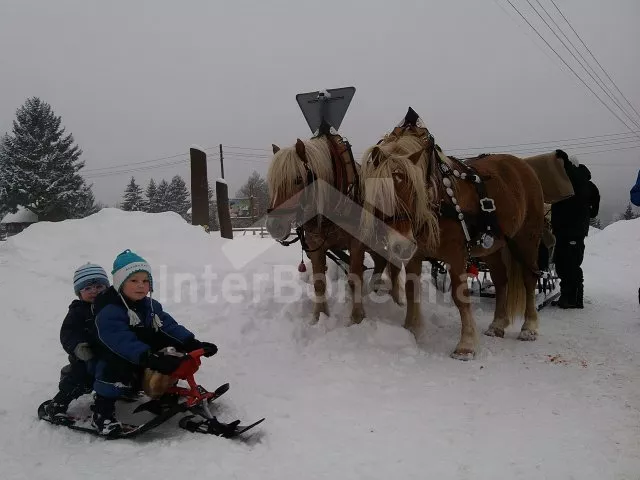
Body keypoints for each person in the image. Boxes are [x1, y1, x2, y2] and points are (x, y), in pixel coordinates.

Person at [90, 249, 217, 435]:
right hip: (113, 353)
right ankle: (102, 412)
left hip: (142, 352)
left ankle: (166, 393)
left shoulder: (149, 305)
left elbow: (168, 326)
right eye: (133, 281)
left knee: (171, 354)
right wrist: (147, 356)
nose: (141, 286)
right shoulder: (110, 310)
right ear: (119, 283)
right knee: (114, 369)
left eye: (145, 281)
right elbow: (120, 340)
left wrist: (191, 343)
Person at [44, 263, 110, 420]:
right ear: (79, 293)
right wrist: (78, 347)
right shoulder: (77, 311)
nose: (94, 291)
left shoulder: (111, 307)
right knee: (81, 379)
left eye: (99, 286)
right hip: (85, 357)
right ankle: (58, 404)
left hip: (108, 354)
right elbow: (68, 333)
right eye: (87, 288)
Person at [551, 156, 600, 309]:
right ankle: (569, 297)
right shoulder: (585, 185)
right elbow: (594, 211)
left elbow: (593, 211)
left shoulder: (577, 184)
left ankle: (573, 298)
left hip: (569, 231)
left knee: (568, 264)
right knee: (565, 263)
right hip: (568, 231)